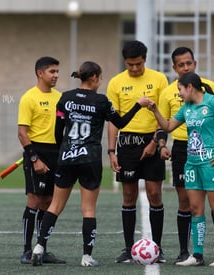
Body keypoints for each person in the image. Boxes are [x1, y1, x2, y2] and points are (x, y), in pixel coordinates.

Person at [30, 61, 151, 267]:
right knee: (88, 209)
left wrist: (66, 149)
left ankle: (39, 247)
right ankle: (86, 256)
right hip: (90, 159)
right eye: (100, 77)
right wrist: (138, 105)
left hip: (67, 157)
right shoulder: (101, 101)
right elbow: (120, 123)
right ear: (94, 77)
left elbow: (58, 132)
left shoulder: (64, 98)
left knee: (55, 205)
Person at [147, 72, 214, 267]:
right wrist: (154, 109)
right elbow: (169, 126)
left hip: (211, 163)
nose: (179, 94)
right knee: (195, 209)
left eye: (180, 89)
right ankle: (197, 255)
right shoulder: (186, 108)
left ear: (190, 87)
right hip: (192, 163)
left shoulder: (212, 102)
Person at [106, 40, 169, 263]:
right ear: (125, 62)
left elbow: (164, 114)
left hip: (151, 140)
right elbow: (113, 121)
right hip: (127, 144)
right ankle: (127, 248)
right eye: (130, 64)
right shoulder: (115, 83)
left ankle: (158, 248)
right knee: (129, 196)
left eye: (138, 64)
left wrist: (155, 142)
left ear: (145, 59)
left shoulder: (159, 79)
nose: (134, 68)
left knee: (154, 194)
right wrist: (111, 151)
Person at [17, 56, 65, 264]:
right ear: (40, 73)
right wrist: (34, 159)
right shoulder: (29, 97)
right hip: (36, 152)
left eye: (56, 72)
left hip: (57, 153)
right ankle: (27, 251)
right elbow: (22, 133)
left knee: (48, 202)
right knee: (35, 201)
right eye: (52, 72)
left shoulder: (60, 98)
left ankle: (41, 249)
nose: (56, 75)